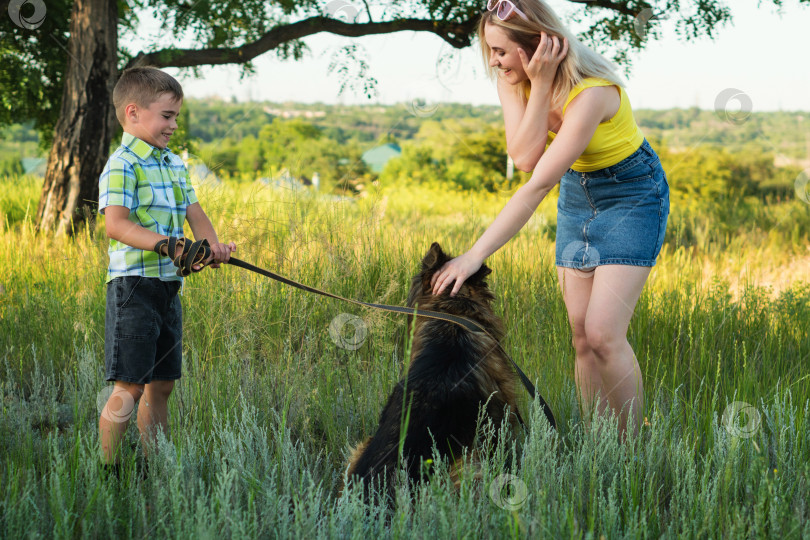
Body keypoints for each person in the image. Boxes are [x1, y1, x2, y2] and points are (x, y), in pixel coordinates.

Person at [430, 0, 669, 439]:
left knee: (603, 333)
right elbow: (524, 159)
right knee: (580, 334)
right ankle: (598, 443)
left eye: (501, 51)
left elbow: (537, 187)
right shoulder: (514, 81)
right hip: (578, 193)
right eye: (491, 51)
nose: (495, 61)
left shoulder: (593, 93)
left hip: (632, 195)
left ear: (537, 45)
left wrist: (474, 256)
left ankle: (635, 449)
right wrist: (537, 87)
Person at [97, 66, 236, 473]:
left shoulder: (173, 163)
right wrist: (167, 245)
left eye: (176, 116)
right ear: (134, 113)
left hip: (168, 287)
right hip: (134, 287)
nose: (174, 125)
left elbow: (195, 213)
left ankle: (154, 464)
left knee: (163, 384)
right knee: (131, 385)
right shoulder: (122, 164)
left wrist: (212, 247)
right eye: (167, 116)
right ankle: (105, 469)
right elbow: (116, 224)